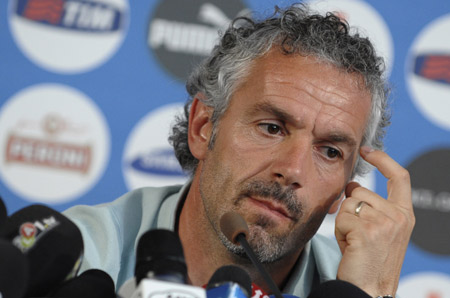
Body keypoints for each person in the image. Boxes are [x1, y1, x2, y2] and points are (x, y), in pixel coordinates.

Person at [64, 4, 415, 298]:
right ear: (204, 128)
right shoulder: (76, 259)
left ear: (345, 188)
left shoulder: (351, 286)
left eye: (330, 152)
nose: (293, 170)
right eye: (272, 128)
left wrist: (372, 293)